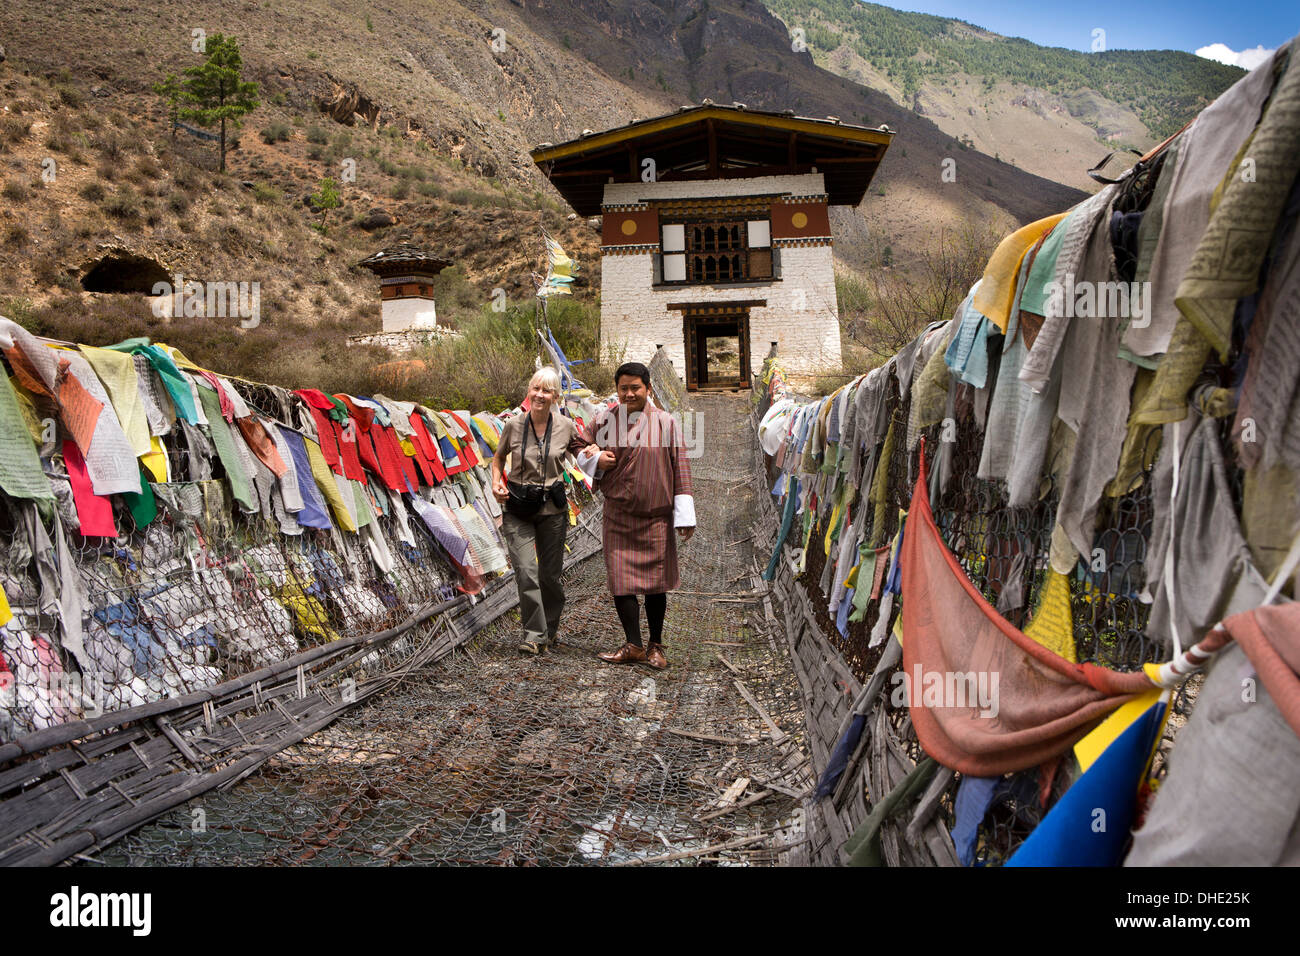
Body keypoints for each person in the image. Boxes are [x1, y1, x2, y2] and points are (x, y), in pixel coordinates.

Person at [589, 362, 695, 670]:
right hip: (618, 516)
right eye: (623, 388)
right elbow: (579, 444)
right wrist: (597, 458)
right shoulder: (605, 420)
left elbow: (681, 465)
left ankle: (656, 645)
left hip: (655, 518)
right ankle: (633, 645)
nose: (629, 393)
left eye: (635, 387)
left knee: (655, 584)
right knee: (621, 582)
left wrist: (684, 515)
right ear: (617, 390)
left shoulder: (666, 423)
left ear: (648, 389)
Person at [492, 367, 598, 655]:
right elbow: (498, 458)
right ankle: (533, 635)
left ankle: (549, 629)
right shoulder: (513, 425)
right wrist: (494, 482)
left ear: (555, 396)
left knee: (549, 576)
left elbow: (582, 452)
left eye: (546, 390)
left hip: (552, 509)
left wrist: (592, 450)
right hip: (518, 507)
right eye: (535, 388)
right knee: (526, 571)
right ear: (529, 390)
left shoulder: (566, 426)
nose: (540, 394)